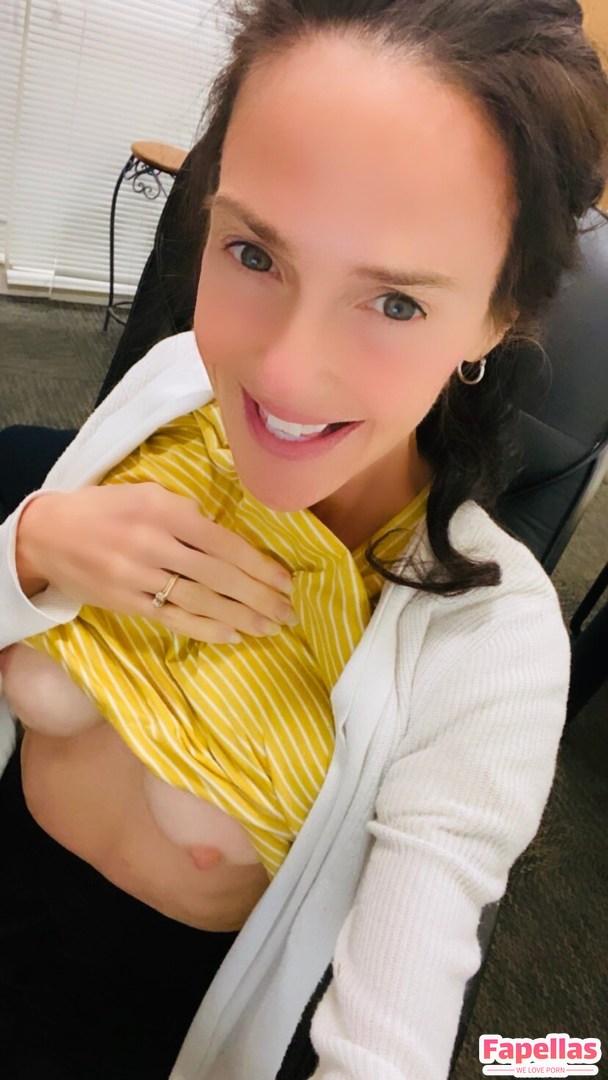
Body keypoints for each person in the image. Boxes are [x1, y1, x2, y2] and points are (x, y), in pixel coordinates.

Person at [0, 0, 607, 1077]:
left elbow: (387, 1045)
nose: (279, 373)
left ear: (495, 315)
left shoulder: (490, 646)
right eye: (252, 251)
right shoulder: (170, 386)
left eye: (396, 303)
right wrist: (30, 550)